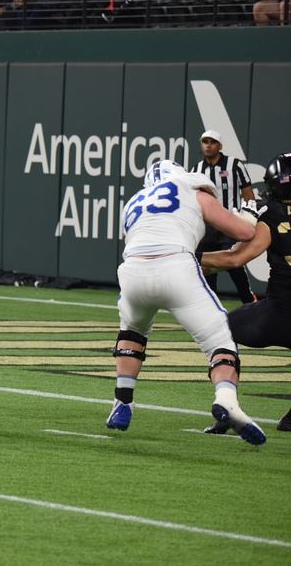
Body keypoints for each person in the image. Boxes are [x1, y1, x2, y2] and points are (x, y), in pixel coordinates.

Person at [105, 159, 266, 445]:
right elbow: (244, 232)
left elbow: (138, 237)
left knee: (132, 332)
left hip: (132, 273)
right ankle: (227, 400)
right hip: (176, 266)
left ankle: (122, 402)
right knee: (220, 340)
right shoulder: (191, 189)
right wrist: (249, 214)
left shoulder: (134, 201)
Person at [200, 153, 291, 434]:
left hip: (277, 315)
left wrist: (189, 256)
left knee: (221, 333)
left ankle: (227, 406)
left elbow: (235, 259)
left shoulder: (271, 213)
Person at [192, 129, 256, 303]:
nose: (208, 145)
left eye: (212, 142)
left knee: (234, 262)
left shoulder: (234, 165)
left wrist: (250, 217)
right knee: (206, 266)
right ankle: (211, 305)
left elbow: (248, 193)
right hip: (207, 226)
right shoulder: (196, 170)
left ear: (220, 146)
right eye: (205, 142)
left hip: (229, 222)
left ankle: (249, 301)